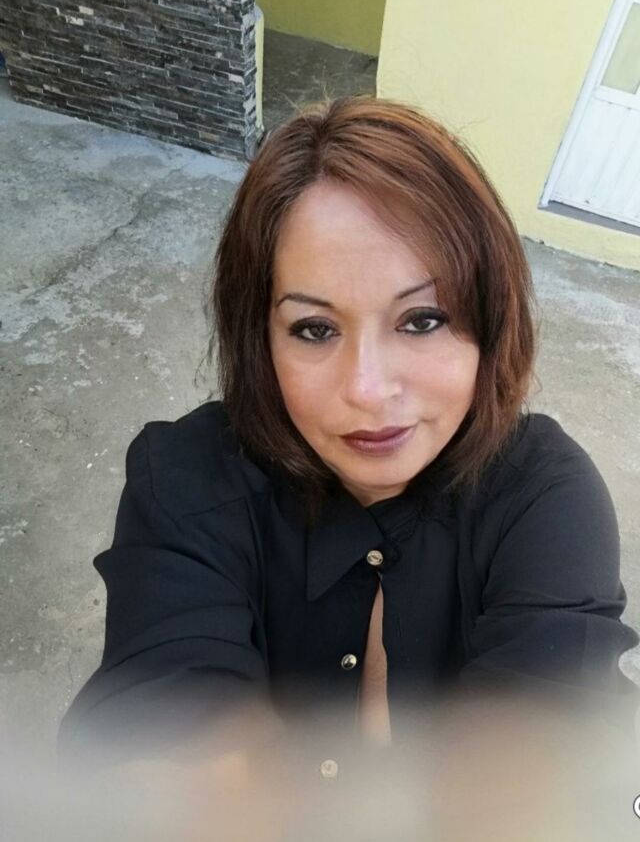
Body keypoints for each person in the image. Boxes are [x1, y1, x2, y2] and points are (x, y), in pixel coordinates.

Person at [59, 95, 639, 784]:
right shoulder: (188, 479)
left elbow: (552, 752)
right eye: (315, 329)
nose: (367, 389)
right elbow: (164, 721)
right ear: (259, 338)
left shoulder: (544, 495)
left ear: (490, 321)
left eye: (421, 320)